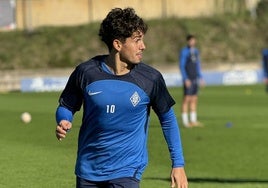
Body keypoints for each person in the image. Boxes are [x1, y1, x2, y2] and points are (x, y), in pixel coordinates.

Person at [55, 7, 188, 188]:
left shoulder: (150, 78)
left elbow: (168, 119)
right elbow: (67, 105)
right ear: (118, 44)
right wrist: (64, 120)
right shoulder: (86, 72)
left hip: (128, 170)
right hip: (88, 169)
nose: (143, 46)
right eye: (137, 40)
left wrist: (178, 164)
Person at [179, 34, 204, 128]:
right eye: (191, 41)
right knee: (187, 99)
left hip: (195, 78)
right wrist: (185, 79)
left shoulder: (196, 51)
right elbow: (182, 66)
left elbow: (197, 65)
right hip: (188, 79)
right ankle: (185, 122)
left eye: (194, 40)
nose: (192, 42)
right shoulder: (184, 52)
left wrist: (200, 77)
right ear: (188, 41)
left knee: (194, 99)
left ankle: (193, 120)